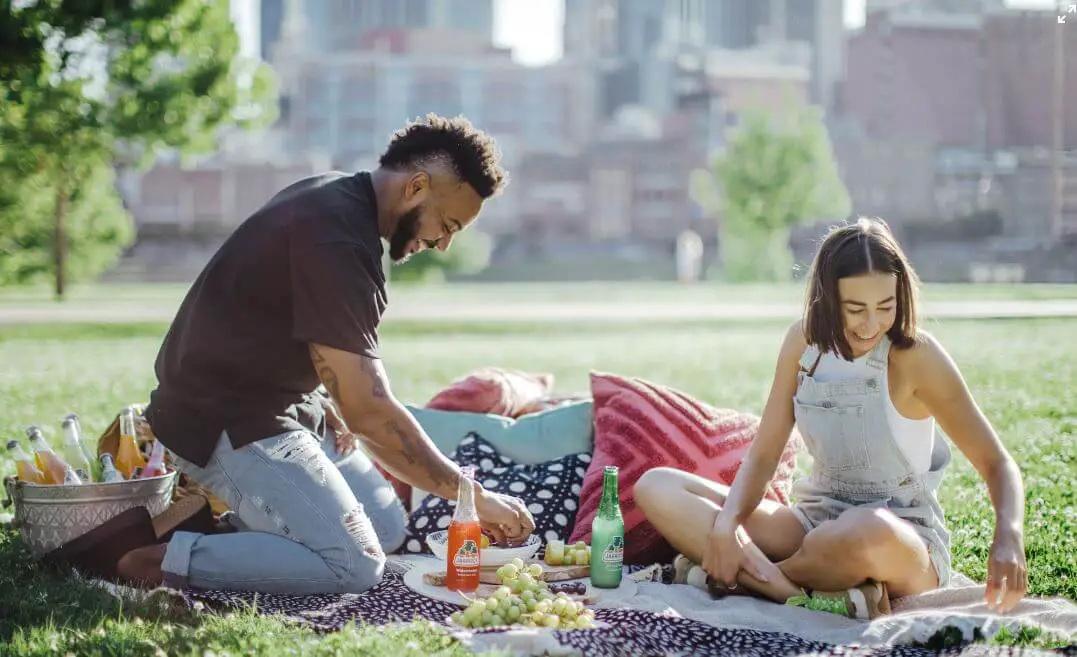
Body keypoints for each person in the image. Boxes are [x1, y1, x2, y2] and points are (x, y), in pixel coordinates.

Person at [116, 114, 536, 594]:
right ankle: (160, 559)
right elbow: (371, 414)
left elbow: (280, 330)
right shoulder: (337, 240)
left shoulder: (337, 197)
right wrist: (473, 497)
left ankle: (253, 531)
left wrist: (325, 397)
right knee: (354, 565)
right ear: (417, 186)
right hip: (224, 422)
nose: (443, 244)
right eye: (447, 224)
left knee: (385, 527)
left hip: (282, 408)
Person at [635, 218, 1028, 618]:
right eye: (855, 309)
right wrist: (727, 525)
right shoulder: (803, 344)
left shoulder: (916, 357)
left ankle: (749, 579)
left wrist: (1009, 536)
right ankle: (802, 592)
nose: (871, 324)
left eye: (885, 306)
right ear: (825, 298)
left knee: (863, 531)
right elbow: (763, 456)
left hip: (896, 539)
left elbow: (997, 463)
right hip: (813, 521)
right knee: (658, 487)